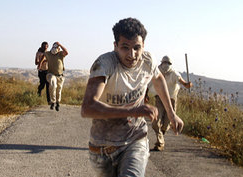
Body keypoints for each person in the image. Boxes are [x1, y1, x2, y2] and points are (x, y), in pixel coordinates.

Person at [81, 18, 183, 177]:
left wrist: (171, 113)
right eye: (125, 47)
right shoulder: (105, 64)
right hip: (102, 147)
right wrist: (133, 110)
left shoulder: (148, 61)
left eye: (137, 48)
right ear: (115, 46)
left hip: (135, 139)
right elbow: (88, 108)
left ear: (143, 46)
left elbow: (158, 79)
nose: (132, 54)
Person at [149, 55, 192, 151]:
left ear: (170, 64)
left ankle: (161, 135)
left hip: (172, 99)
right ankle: (160, 142)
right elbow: (150, 82)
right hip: (159, 98)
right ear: (161, 63)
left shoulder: (174, 73)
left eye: (168, 63)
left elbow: (183, 82)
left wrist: (187, 85)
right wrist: (145, 95)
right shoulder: (157, 71)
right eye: (164, 63)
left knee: (167, 123)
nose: (166, 65)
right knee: (156, 121)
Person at [38, 42, 68, 111]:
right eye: (54, 47)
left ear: (58, 48)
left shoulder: (60, 54)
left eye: (56, 47)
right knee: (53, 85)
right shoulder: (48, 54)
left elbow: (66, 52)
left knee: (59, 90)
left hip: (60, 76)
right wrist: (40, 64)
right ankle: (53, 101)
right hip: (51, 74)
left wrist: (60, 44)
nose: (54, 49)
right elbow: (43, 56)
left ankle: (57, 103)